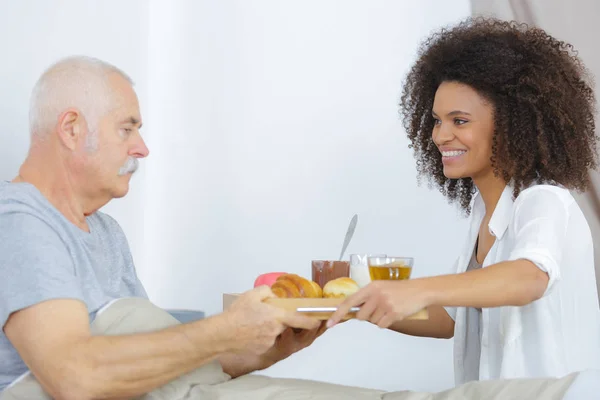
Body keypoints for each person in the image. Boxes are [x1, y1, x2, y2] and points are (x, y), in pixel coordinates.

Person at [0, 56, 324, 399]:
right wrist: (224, 329)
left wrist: (270, 346)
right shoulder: (19, 221)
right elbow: (74, 376)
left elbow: (159, 371)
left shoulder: (106, 232)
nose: (141, 149)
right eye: (127, 128)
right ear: (71, 129)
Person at [328, 17, 600, 385]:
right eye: (437, 120)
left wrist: (416, 287)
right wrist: (353, 300)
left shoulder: (544, 200)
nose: (441, 135)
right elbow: (450, 319)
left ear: (512, 122)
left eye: (459, 120)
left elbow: (529, 277)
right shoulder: (483, 212)